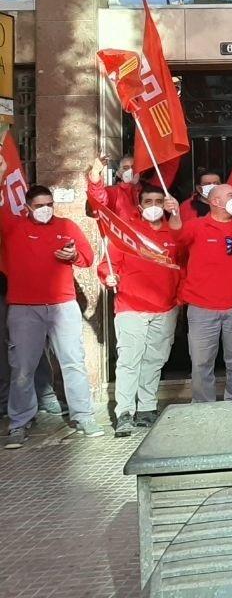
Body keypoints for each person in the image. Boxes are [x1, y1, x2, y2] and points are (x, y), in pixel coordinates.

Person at [0, 160, 102, 448]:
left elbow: (87, 258)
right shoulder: (13, 227)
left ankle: (84, 416)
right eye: (40, 204)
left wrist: (72, 257)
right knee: (22, 366)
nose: (46, 209)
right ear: (28, 207)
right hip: (23, 308)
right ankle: (19, 423)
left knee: (73, 363)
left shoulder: (66, 226)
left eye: (49, 204)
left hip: (63, 306)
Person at [87, 157, 181, 437]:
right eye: (148, 202)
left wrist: (176, 215)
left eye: (158, 202)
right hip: (131, 307)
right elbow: (106, 265)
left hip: (165, 308)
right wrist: (108, 277)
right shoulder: (128, 232)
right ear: (140, 205)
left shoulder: (173, 233)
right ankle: (124, 412)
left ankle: (147, 408)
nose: (153, 207)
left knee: (155, 360)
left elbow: (185, 263)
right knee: (129, 361)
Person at [174, 182, 232, 403]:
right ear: (215, 201)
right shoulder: (195, 227)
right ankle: (203, 405)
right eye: (231, 195)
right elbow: (176, 239)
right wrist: (174, 213)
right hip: (201, 308)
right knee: (200, 362)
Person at [180, 151, 232, 222]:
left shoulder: (228, 201)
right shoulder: (187, 207)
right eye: (207, 184)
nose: (212, 186)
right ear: (199, 188)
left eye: (216, 183)